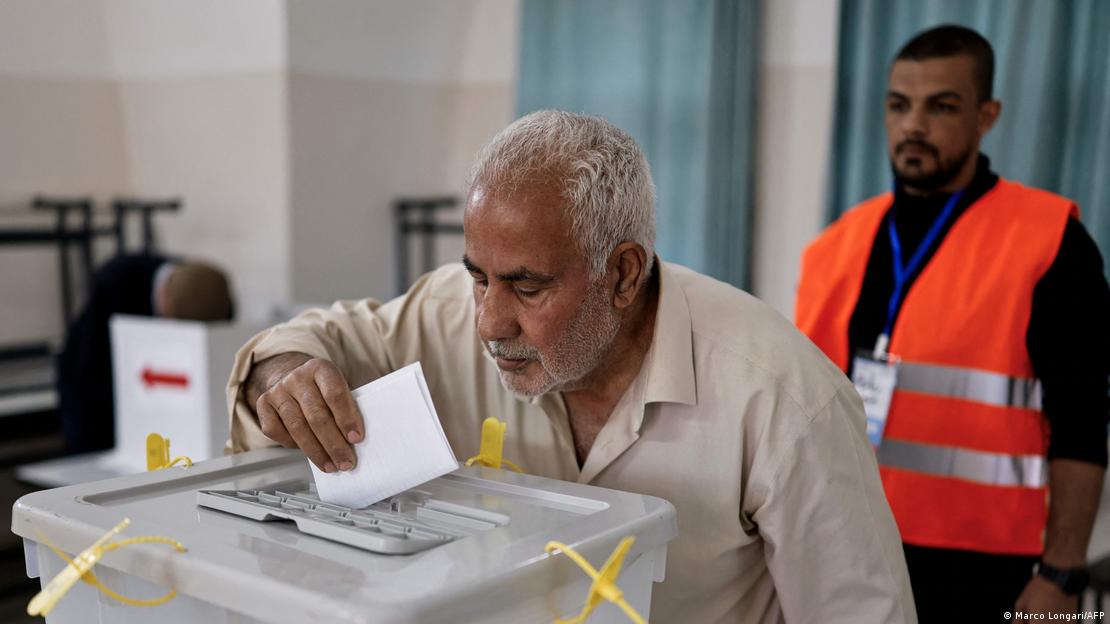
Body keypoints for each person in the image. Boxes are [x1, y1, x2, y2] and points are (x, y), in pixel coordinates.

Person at [227, 110, 915, 622]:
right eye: (477, 277)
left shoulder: (783, 400)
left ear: (622, 274)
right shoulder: (450, 315)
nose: (490, 322)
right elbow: (314, 338)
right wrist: (284, 373)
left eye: (528, 287)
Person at [794, 25, 1110, 621]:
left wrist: (1062, 574)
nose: (914, 125)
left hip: (988, 568)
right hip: (847, 542)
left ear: (986, 115)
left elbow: (1083, 423)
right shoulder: (834, 247)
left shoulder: (1050, 242)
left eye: (941, 106)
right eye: (899, 105)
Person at [57, 253, 234, 453]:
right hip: (93, 395)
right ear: (165, 303)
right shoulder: (115, 284)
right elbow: (86, 372)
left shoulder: (206, 290)